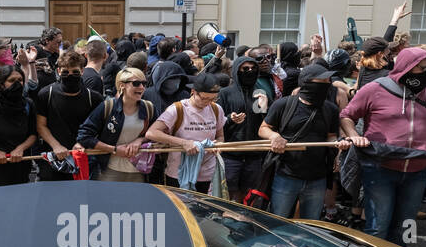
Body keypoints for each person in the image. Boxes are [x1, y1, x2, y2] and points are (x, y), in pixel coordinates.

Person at [339, 47, 426, 244]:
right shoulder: (375, 88)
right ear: (406, 67)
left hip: (419, 170)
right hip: (379, 168)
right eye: (421, 68)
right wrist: (354, 136)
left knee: (408, 227)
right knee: (378, 226)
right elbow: (347, 115)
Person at [260, 62, 341, 218]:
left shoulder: (330, 109)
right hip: (286, 175)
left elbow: (331, 135)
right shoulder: (283, 104)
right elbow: (263, 129)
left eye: (328, 82)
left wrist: (337, 148)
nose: (327, 85)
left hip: (318, 177)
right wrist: (275, 136)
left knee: (310, 224)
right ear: (307, 83)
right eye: (322, 82)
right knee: (278, 220)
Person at [144, 72, 227, 194]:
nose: (208, 103)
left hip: (207, 173)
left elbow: (220, 136)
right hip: (178, 173)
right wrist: (184, 143)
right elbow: (152, 133)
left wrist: (218, 146)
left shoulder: (216, 109)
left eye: (212, 99)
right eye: (204, 98)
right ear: (193, 91)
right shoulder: (178, 109)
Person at [76, 67, 156, 182]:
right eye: (136, 83)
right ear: (122, 85)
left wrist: (140, 140)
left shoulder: (149, 108)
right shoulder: (107, 106)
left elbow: (159, 134)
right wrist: (114, 149)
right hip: (109, 170)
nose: (142, 87)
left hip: (139, 171)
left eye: (144, 83)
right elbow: (84, 136)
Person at [35, 50, 102, 181]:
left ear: (82, 71)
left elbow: (98, 126)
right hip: (52, 156)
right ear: (59, 71)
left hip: (82, 155)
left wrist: (82, 143)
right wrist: (56, 146)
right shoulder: (45, 94)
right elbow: (40, 125)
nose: (70, 75)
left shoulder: (93, 97)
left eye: (75, 72)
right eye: (66, 72)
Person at [216, 54, 270, 201]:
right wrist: (230, 119)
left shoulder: (261, 92)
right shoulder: (225, 93)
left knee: (250, 194)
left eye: (253, 68)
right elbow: (216, 121)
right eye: (245, 68)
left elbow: (266, 123)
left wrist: (264, 109)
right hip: (231, 154)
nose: (250, 71)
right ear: (236, 71)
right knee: (229, 193)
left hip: (254, 154)